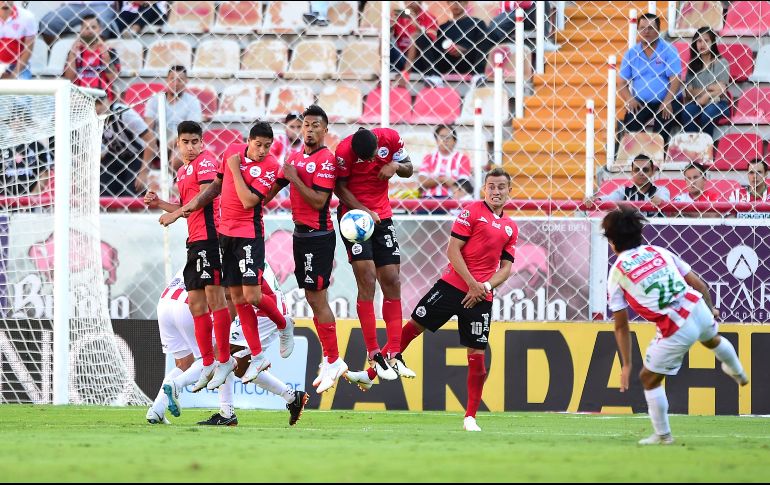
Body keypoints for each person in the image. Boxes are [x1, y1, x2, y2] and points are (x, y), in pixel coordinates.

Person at [346, 168, 518, 433]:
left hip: (481, 296)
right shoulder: (471, 212)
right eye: (492, 187)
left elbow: (506, 268)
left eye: (501, 187)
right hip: (451, 286)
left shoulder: (510, 227)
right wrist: (471, 283)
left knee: (477, 357)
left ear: (509, 190)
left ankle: (470, 417)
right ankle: (371, 375)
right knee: (413, 328)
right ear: (485, 189)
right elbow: (453, 250)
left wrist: (482, 287)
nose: (496, 192)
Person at [603, 206, 748, 445]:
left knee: (649, 378)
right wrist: (710, 308)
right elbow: (700, 285)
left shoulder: (617, 272)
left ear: (612, 242)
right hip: (696, 306)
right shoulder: (658, 251)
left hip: (675, 325)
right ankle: (737, 370)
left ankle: (663, 436)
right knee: (712, 340)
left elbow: (621, 326)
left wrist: (627, 364)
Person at [177, 122, 295, 384]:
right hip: (226, 237)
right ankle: (257, 355)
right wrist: (181, 209)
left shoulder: (269, 166)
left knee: (252, 295)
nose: (262, 150)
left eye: (267, 146)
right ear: (249, 141)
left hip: (249, 235)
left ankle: (283, 322)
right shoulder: (231, 151)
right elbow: (216, 187)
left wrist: (234, 168)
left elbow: (249, 201)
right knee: (237, 298)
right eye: (258, 144)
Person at [147, 262, 308, 427]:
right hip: (261, 308)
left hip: (262, 311)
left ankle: (178, 386)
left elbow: (231, 293)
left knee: (222, 354)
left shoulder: (232, 252)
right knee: (238, 366)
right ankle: (292, 397)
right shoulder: (235, 249)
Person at [144, 121, 231, 392]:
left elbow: (205, 198)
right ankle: (207, 361)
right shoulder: (182, 172)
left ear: (202, 143)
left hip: (211, 239)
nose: (191, 147)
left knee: (215, 299)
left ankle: (224, 358)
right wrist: (161, 204)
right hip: (194, 242)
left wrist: (173, 214)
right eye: (186, 142)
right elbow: (186, 208)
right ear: (178, 144)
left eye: (195, 142)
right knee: (195, 304)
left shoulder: (206, 164)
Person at [266, 105, 347, 394]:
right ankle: (331, 358)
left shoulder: (327, 160)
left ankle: (334, 359)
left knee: (318, 298)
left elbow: (318, 201)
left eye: (315, 125)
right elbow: (272, 189)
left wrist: (294, 177)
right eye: (305, 125)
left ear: (325, 130)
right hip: (300, 236)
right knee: (312, 299)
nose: (309, 129)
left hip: (318, 236)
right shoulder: (294, 157)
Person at [334, 127, 415, 381]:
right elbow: (340, 188)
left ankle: (395, 352)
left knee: (392, 279)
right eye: (364, 159)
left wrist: (395, 166)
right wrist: (364, 210)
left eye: (372, 158)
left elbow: (409, 167)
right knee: (367, 279)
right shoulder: (343, 151)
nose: (369, 162)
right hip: (354, 218)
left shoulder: (390, 139)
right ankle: (374, 353)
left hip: (383, 216)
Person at [619, 13, 682, 143]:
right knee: (631, 125)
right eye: (642, 28)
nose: (646, 31)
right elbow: (621, 83)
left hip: (666, 99)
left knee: (662, 127)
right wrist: (630, 99)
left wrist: (667, 101)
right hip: (641, 102)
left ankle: (658, 161)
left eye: (650, 28)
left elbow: (676, 80)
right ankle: (637, 160)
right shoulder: (631, 53)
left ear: (658, 30)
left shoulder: (669, 50)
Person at [144, 65, 203, 171]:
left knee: (178, 157)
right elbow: (148, 127)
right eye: (172, 79)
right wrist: (154, 144)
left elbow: (189, 131)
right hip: (156, 141)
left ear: (186, 82)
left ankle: (171, 184)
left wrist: (167, 146)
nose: (176, 83)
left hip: (181, 142)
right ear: (167, 80)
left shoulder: (193, 102)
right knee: (144, 146)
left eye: (180, 80)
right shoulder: (154, 100)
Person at [413, 1, 487, 84]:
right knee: (423, 38)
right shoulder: (443, 27)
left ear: (466, 3)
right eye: (453, 2)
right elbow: (438, 48)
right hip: (447, 62)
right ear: (448, 4)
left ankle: (478, 74)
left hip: (469, 61)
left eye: (460, 2)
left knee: (485, 38)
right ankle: (434, 76)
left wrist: (465, 49)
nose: (456, 4)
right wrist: (448, 50)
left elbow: (483, 45)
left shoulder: (477, 23)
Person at [97, 95, 153, 196]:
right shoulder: (92, 118)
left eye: (99, 102)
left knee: (131, 193)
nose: (97, 107)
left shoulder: (123, 113)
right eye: (94, 104)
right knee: (102, 192)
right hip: (114, 155)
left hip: (137, 154)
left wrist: (144, 172)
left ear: (108, 100)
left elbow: (151, 141)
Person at [679, 27, 730, 138]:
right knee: (687, 113)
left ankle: (706, 148)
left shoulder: (722, 63)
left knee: (707, 114)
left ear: (713, 42)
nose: (702, 44)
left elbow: (721, 90)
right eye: (699, 41)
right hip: (697, 102)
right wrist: (708, 89)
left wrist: (706, 96)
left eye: (706, 41)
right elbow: (689, 93)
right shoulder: (692, 65)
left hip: (719, 103)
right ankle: (693, 146)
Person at [586, 155, 670, 217]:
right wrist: (595, 199)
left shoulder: (661, 190)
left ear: (652, 172)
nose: (641, 173)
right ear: (632, 173)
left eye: (645, 170)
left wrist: (660, 200)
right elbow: (610, 198)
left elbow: (664, 198)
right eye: (637, 170)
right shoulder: (624, 191)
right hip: (630, 234)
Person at [63, 14, 120, 101]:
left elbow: (113, 78)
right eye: (86, 28)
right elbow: (69, 79)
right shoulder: (74, 52)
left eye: (93, 27)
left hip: (102, 97)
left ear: (100, 30)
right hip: (78, 96)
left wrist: (105, 56)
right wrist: (72, 54)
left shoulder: (110, 51)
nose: (90, 31)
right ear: (81, 31)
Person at [418, 124, 473, 201]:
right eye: (442, 137)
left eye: (448, 137)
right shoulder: (428, 158)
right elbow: (423, 182)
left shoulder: (462, 159)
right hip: (429, 199)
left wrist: (433, 181)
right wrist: (443, 179)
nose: (445, 140)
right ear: (436, 140)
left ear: (454, 141)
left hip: (452, 199)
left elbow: (462, 186)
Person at [40, 1, 117, 45]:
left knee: (104, 24)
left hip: (102, 3)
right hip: (74, 4)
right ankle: (62, 57)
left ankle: (97, 59)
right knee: (47, 23)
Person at [0, 1, 36, 80]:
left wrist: (13, 75)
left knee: (20, 88)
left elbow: (28, 51)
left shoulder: (27, 17)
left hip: (18, 66)